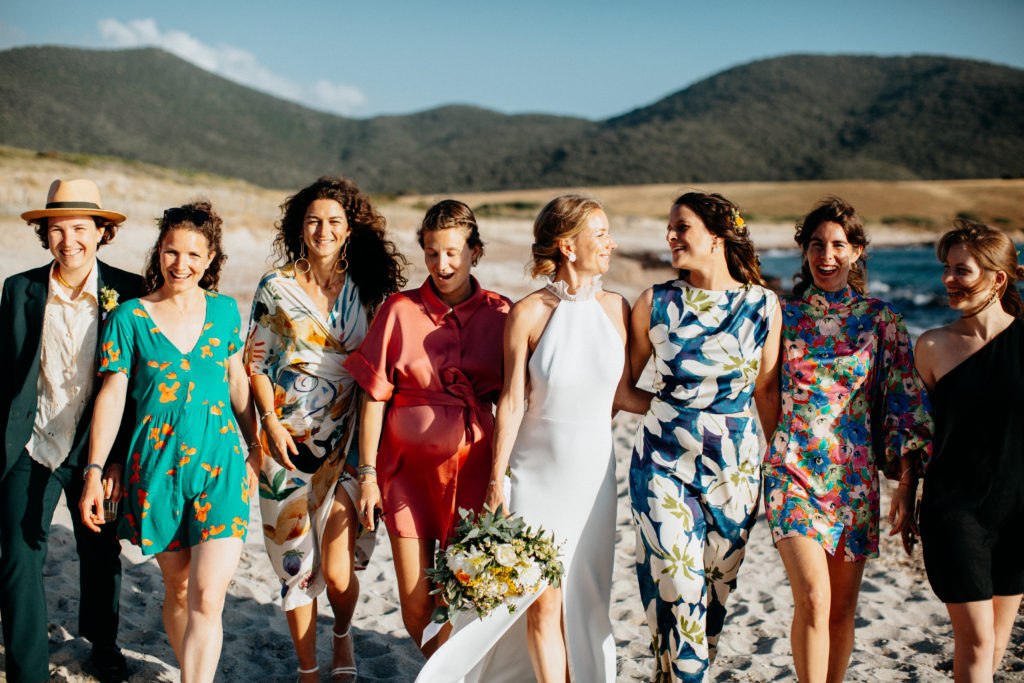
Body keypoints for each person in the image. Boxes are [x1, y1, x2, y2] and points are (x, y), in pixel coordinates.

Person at [418, 194, 651, 683]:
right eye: (601, 234)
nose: (610, 244)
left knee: (584, 600)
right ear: (568, 245)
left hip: (592, 481)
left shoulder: (617, 309)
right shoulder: (526, 313)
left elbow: (624, 394)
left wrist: (693, 403)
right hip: (533, 477)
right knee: (539, 601)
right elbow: (511, 402)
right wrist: (498, 479)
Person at [79, 201, 259, 683]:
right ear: (159, 253)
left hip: (220, 466)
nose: (181, 264)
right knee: (178, 591)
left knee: (208, 595)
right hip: (156, 469)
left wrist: (256, 445)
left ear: (211, 257)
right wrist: (96, 470)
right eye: (171, 252)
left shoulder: (224, 312)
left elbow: (236, 381)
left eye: (193, 254)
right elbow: (113, 396)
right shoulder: (131, 317)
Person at [761, 197, 932, 683]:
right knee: (813, 598)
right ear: (804, 251)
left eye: (838, 244)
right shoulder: (782, 316)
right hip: (791, 474)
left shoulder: (882, 321)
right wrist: (781, 447)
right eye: (817, 244)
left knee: (841, 609)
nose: (826, 255)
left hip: (853, 482)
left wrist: (906, 482)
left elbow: (904, 401)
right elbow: (766, 389)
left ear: (856, 251)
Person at [244, 176, 407, 682]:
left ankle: (342, 633)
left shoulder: (372, 290)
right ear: (300, 226)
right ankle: (309, 669)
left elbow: (389, 364)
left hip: (350, 441)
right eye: (313, 220)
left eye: (334, 221)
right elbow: (257, 362)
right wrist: (268, 424)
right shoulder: (276, 287)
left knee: (337, 572)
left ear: (350, 228)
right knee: (295, 566)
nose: (323, 229)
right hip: (286, 446)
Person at [344, 199, 510, 657]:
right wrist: (367, 476)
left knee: (459, 597)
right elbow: (373, 396)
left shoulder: (502, 314)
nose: (443, 264)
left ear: (475, 251)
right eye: (433, 253)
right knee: (416, 602)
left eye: (454, 252)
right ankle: (437, 665)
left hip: (474, 473)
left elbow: (515, 398)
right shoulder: (399, 310)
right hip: (404, 476)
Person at [627, 192, 781, 681]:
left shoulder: (762, 305)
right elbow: (622, 386)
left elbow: (767, 394)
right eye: (669, 227)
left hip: (733, 472)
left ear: (716, 236)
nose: (670, 236)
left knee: (710, 603)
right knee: (677, 580)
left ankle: (673, 672)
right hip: (662, 464)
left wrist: (778, 469)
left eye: (682, 227)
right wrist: (669, 410)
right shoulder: (655, 302)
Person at [0, 179, 142, 683]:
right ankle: (27, 672)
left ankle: (103, 644)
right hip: (31, 443)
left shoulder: (129, 291)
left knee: (101, 552)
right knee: (17, 555)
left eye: (81, 228)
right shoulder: (19, 288)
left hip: (96, 447)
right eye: (56, 229)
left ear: (102, 232)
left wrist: (119, 458)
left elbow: (140, 382)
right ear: (45, 234)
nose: (69, 240)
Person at [914, 220, 1024, 682]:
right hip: (954, 512)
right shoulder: (932, 346)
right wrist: (904, 492)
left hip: (1018, 513)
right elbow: (915, 435)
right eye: (946, 269)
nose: (948, 279)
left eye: (961, 270)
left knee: (995, 646)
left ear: (998, 279)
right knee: (976, 643)